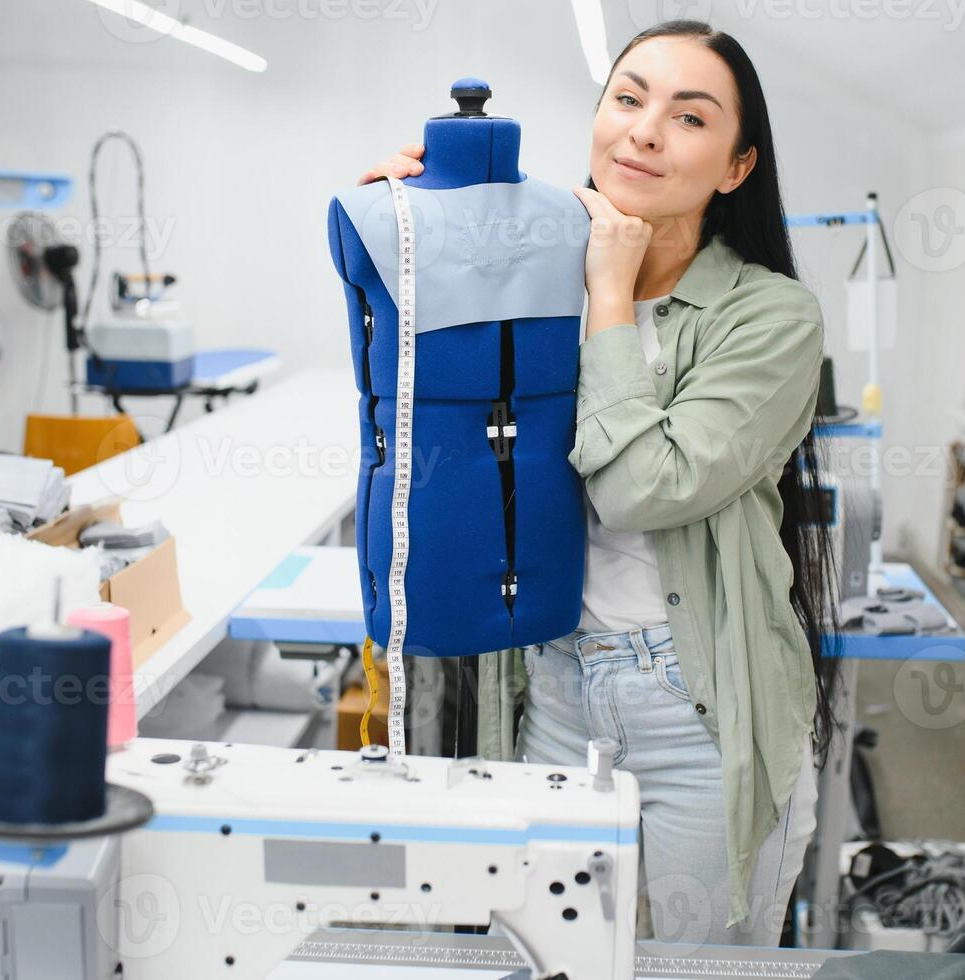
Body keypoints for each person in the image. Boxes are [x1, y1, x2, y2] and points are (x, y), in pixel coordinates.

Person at [358, 19, 840, 948]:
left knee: (705, 968)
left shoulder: (773, 317)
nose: (645, 131)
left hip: (701, 709)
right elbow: (413, 375)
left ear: (736, 168)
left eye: (688, 117)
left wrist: (611, 295)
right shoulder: (533, 268)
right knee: (545, 955)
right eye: (627, 98)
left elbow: (639, 492)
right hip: (554, 689)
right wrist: (413, 214)